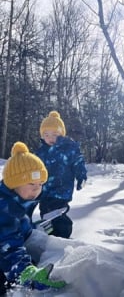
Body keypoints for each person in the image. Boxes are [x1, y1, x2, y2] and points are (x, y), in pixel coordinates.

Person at [0, 142, 65, 295]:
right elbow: (8, 246)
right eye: (31, 183)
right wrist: (26, 272)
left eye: (41, 183)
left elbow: (18, 228)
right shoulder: (5, 208)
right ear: (14, 183)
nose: (37, 188)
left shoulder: (18, 199)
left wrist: (34, 229)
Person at [35, 110, 87, 239]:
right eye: (46, 134)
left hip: (61, 191)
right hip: (44, 192)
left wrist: (81, 176)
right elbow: (33, 167)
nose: (50, 138)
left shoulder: (68, 148)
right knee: (45, 215)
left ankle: (63, 236)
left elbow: (78, 162)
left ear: (61, 134)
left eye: (54, 134)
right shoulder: (40, 152)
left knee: (58, 215)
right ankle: (51, 238)